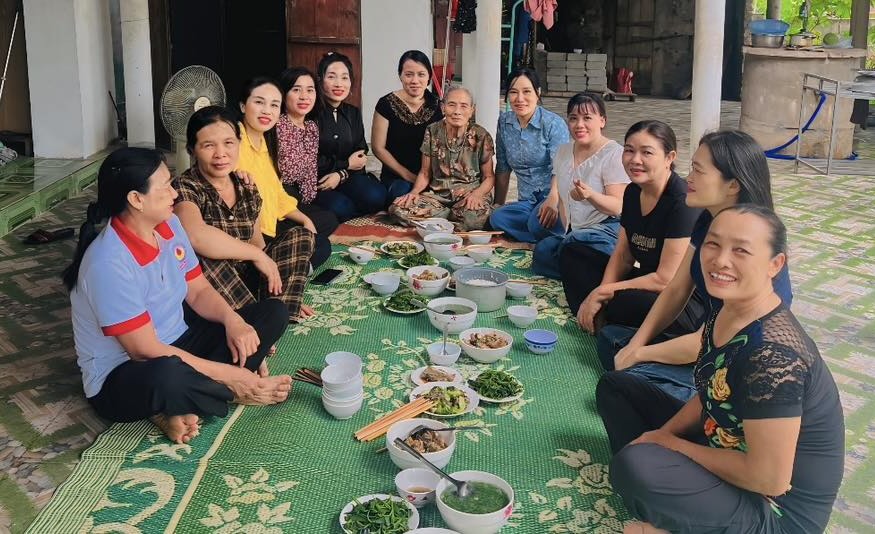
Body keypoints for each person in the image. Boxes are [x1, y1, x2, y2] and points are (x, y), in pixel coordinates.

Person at [603, 205, 843, 534]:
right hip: (727, 443)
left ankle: (675, 513)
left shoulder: (772, 355)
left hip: (776, 510)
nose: (720, 260)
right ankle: (678, 505)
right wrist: (662, 436)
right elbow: (711, 393)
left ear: (775, 265)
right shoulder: (726, 310)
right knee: (618, 389)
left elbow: (770, 479)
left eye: (741, 250)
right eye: (713, 244)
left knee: (635, 466)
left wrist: (673, 446)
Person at [63, 147, 292, 445]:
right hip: (126, 372)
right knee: (168, 376)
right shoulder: (107, 263)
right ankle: (229, 392)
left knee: (272, 314)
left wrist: (233, 321)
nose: (175, 193)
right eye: (166, 186)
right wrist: (234, 377)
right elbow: (144, 351)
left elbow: (197, 291)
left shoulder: (169, 225)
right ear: (136, 199)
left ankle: (177, 406)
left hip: (179, 341)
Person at [599, 130, 793, 401]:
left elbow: (711, 340)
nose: (688, 178)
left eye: (699, 171)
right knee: (612, 340)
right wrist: (636, 344)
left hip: (733, 368)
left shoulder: (752, 246)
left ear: (733, 185)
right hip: (706, 344)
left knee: (621, 385)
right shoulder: (707, 220)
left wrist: (640, 354)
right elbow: (677, 288)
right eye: (691, 168)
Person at [175, 105, 315, 323]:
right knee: (201, 256)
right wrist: (257, 255)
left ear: (239, 143)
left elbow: (256, 241)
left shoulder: (246, 184)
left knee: (301, 236)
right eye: (208, 145)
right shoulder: (186, 186)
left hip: (245, 275)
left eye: (229, 143)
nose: (220, 154)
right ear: (192, 150)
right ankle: (253, 321)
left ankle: (282, 307)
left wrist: (284, 283)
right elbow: (195, 235)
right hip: (213, 286)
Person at [561, 120, 702, 334]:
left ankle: (607, 321)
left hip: (677, 298)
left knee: (625, 302)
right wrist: (603, 292)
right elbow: (623, 256)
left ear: (669, 158)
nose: (635, 160)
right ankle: (605, 318)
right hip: (645, 281)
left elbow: (665, 280)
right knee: (573, 253)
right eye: (629, 150)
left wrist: (603, 293)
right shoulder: (633, 192)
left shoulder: (681, 202)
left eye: (647, 153)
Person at [233, 77, 325, 279]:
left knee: (320, 238)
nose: (267, 111)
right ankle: (288, 270)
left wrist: (304, 219)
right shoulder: (233, 140)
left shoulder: (266, 144)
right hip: (248, 236)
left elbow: (277, 193)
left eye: (274, 105)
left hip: (270, 223)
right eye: (259, 102)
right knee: (316, 241)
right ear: (242, 105)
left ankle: (291, 267)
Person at [529, 92, 628, 279]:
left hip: (605, 228)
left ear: (602, 121)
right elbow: (558, 177)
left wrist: (590, 195)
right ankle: (583, 266)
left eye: (587, 118)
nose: (579, 125)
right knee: (540, 235)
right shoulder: (564, 150)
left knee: (570, 244)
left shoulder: (614, 155)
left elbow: (618, 207)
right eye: (573, 118)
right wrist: (553, 197)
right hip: (573, 226)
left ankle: (590, 265)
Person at [388, 85, 496, 231]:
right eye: (452, 105)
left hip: (470, 196)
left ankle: (438, 222)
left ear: (472, 110)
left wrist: (477, 194)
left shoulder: (481, 135)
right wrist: (414, 193)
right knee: (397, 209)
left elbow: (489, 177)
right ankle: (450, 218)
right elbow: (425, 173)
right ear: (443, 107)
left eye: (464, 106)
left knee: (476, 219)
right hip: (438, 198)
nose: (457, 111)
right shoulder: (432, 131)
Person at [488, 68, 570, 243]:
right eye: (513, 92)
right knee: (497, 218)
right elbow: (503, 167)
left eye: (527, 91)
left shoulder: (553, 124)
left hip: (556, 197)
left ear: (538, 93)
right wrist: (498, 204)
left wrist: (553, 199)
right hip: (527, 202)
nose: (520, 99)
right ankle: (548, 236)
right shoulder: (504, 122)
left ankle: (555, 233)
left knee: (537, 223)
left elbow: (561, 167)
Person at [275, 66, 340, 268]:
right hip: (278, 194)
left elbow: (310, 170)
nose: (304, 96)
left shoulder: (311, 127)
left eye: (310, 90)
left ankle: (298, 242)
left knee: (329, 217)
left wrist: (308, 199)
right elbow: (283, 172)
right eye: (296, 90)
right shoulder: (275, 125)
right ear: (284, 94)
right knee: (316, 223)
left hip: (296, 195)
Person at [314, 52, 388, 221]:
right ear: (320, 79)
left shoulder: (352, 112)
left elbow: (360, 150)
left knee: (377, 196)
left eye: (344, 78)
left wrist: (341, 174)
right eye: (331, 77)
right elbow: (312, 160)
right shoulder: (311, 114)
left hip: (347, 177)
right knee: (341, 208)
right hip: (321, 181)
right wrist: (346, 164)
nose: (339, 84)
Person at [371, 50, 444, 204]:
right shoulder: (386, 104)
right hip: (397, 176)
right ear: (400, 75)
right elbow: (378, 148)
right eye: (409, 74)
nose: (415, 80)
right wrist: (407, 175)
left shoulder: (437, 106)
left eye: (421, 74)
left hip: (429, 176)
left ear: (429, 77)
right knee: (402, 194)